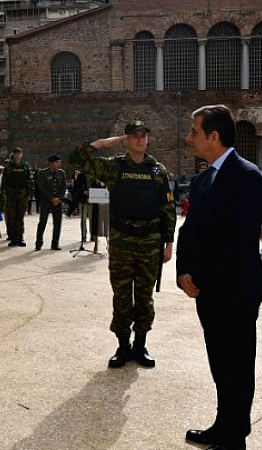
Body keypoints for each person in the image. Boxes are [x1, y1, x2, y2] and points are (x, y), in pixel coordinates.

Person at [177, 105, 262, 450]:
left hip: (236, 290)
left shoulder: (246, 176)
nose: (189, 138)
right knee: (220, 362)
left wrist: (201, 275)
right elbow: (188, 232)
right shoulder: (202, 178)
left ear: (213, 137)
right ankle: (223, 424)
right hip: (207, 290)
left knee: (238, 365)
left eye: (194, 132)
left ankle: (236, 436)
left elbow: (240, 240)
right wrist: (183, 271)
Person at [68, 119, 176, 368]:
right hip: (122, 242)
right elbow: (77, 159)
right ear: (126, 139)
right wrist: (103, 143)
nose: (140, 139)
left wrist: (168, 243)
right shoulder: (114, 167)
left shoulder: (157, 170)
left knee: (145, 297)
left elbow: (167, 209)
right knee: (122, 296)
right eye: (134, 135)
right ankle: (123, 346)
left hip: (150, 242)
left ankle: (140, 345)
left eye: (143, 135)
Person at [3, 147, 34, 247]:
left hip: (22, 194)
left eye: (19, 153)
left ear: (21, 155)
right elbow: (4, 180)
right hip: (11, 194)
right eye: (15, 153)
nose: (17, 155)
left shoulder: (25, 166)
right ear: (13, 155)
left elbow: (30, 180)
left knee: (20, 216)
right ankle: (13, 238)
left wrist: (30, 194)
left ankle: (20, 237)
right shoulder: (8, 166)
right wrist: (3, 193)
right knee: (11, 216)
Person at [34, 155, 67, 251]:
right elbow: (41, 188)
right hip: (46, 201)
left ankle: (55, 244)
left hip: (58, 202)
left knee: (57, 223)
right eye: (57, 162)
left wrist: (59, 198)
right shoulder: (43, 173)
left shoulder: (62, 173)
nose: (59, 164)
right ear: (51, 163)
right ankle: (38, 243)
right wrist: (52, 198)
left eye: (59, 162)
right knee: (42, 222)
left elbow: (63, 187)